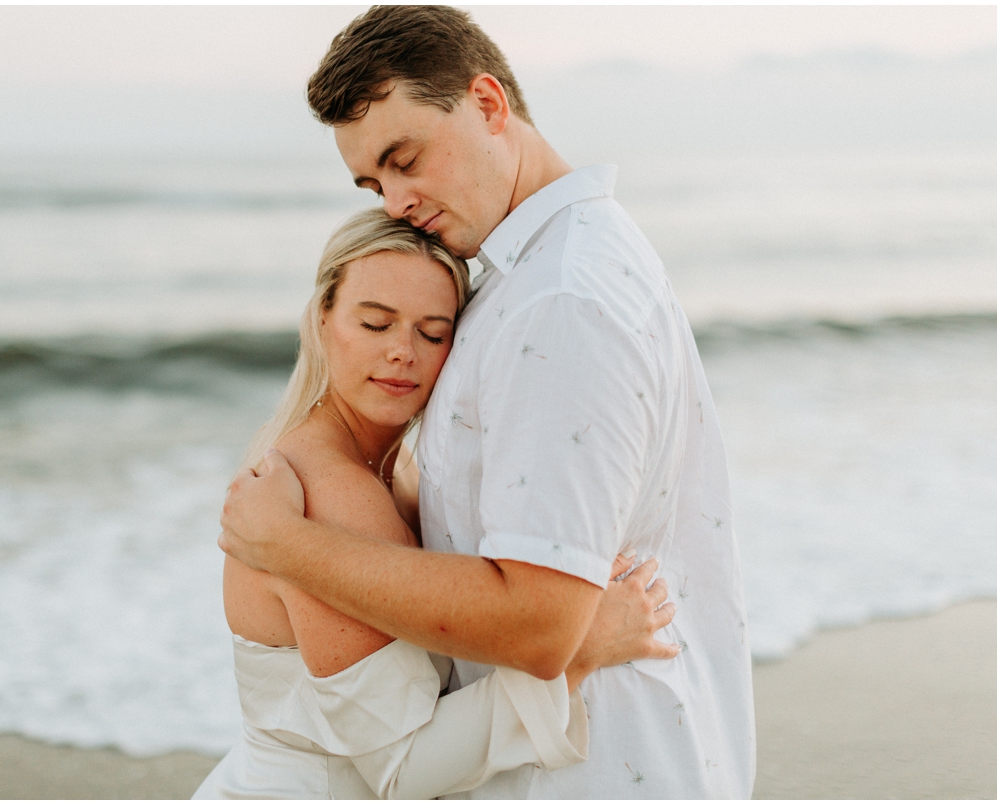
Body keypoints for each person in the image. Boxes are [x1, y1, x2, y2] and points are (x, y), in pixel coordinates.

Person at [219, 5, 756, 798]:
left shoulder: (560, 300)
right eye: (373, 182)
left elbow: (544, 622)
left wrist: (286, 546)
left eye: (405, 158)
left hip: (598, 769)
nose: (395, 200)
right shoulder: (534, 273)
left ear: (490, 105)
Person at [195, 209, 679, 799]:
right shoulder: (333, 493)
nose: (403, 352)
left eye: (432, 333)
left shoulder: (397, 471)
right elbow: (404, 772)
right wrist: (580, 650)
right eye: (375, 324)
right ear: (322, 320)